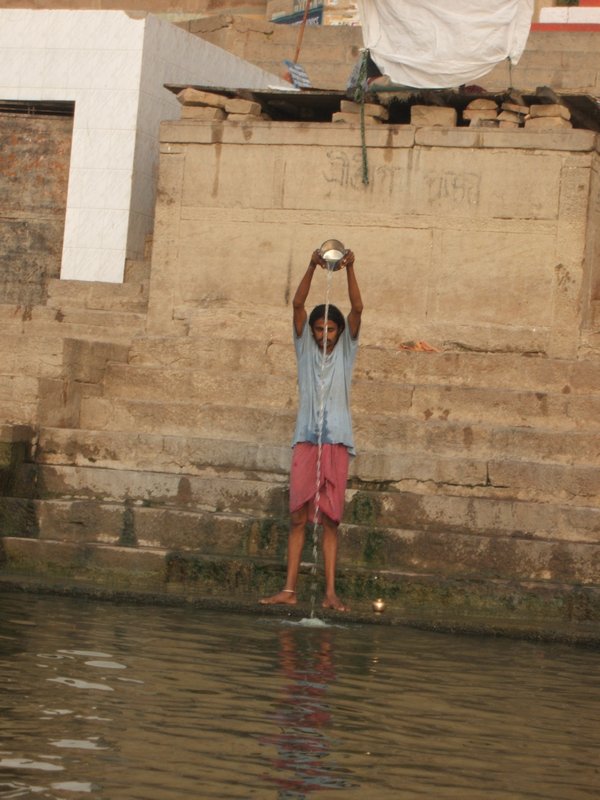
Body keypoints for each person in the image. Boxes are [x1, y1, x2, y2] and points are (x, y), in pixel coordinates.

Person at [260, 247, 363, 612]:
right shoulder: (304, 349)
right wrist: (310, 265)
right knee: (298, 518)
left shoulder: (346, 351)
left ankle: (331, 593)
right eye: (319, 329)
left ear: (338, 331)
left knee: (332, 521)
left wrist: (350, 269)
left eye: (330, 329)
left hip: (337, 440)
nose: (324, 334)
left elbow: (358, 310)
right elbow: (298, 304)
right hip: (305, 440)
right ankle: (289, 589)